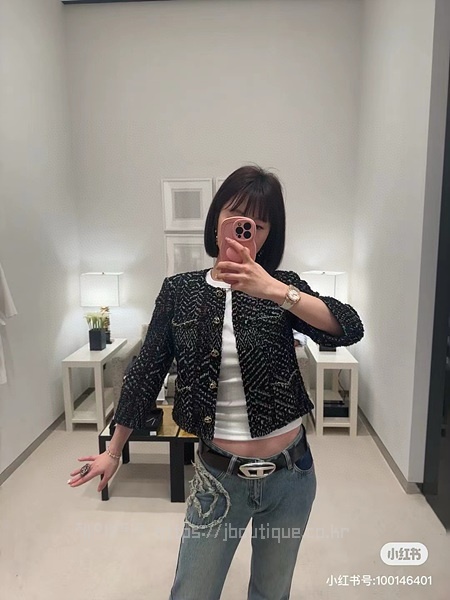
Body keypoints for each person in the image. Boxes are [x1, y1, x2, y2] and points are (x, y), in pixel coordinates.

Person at [68, 165, 364, 600]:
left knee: (272, 592)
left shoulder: (283, 286)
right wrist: (113, 451)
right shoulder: (179, 290)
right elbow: (146, 372)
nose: (246, 231)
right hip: (218, 477)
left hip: (292, 475)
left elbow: (349, 327)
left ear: (268, 235)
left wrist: (276, 292)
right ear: (217, 220)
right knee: (192, 591)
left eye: (259, 224)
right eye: (237, 217)